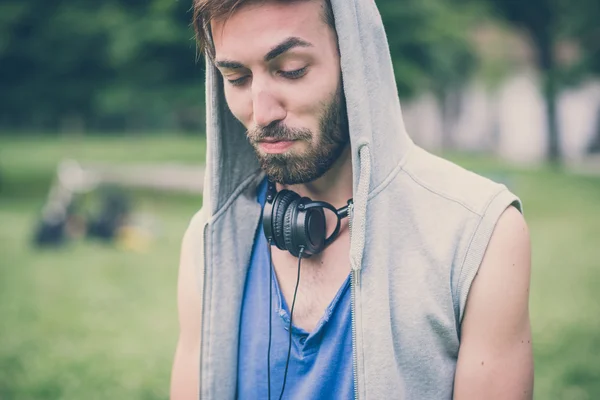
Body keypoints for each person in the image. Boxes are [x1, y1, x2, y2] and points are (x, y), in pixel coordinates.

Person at [170, 0, 534, 398]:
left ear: (355, 59)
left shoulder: (478, 233)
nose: (262, 111)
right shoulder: (209, 239)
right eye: (237, 77)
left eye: (292, 70)